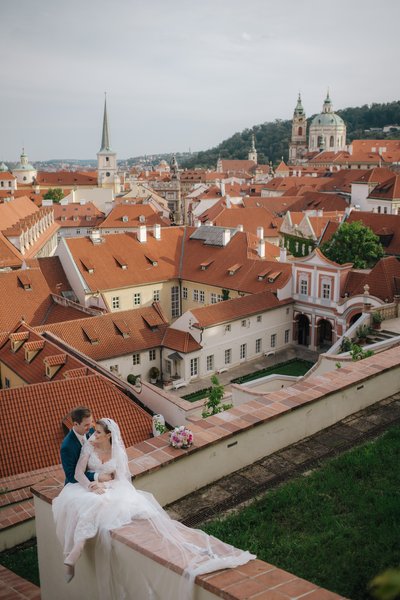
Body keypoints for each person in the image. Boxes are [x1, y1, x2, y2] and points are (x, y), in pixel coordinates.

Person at [53, 418, 256, 600]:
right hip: (89, 487)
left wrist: (108, 486)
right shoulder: (89, 446)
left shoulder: (117, 450)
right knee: (93, 503)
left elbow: (122, 479)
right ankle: (74, 553)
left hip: (113, 488)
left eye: (97, 432)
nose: (92, 435)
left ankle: (73, 554)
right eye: (93, 431)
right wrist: (94, 483)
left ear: (108, 435)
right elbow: (78, 472)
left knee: (103, 504)